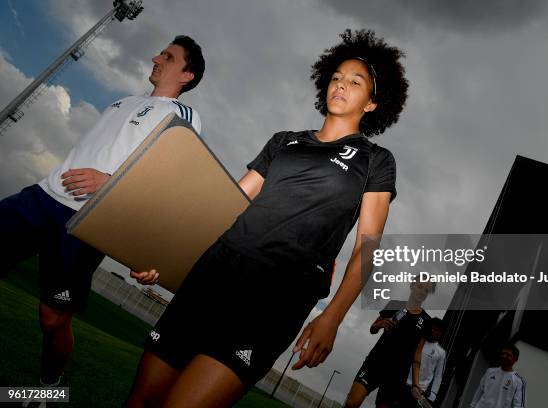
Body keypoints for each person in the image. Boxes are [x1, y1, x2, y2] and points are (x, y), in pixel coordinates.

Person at [125, 29, 410, 408]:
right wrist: (167, 254)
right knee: (138, 402)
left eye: (355, 82)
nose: (341, 85)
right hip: (212, 276)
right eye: (337, 77)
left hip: (274, 298)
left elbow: (366, 247)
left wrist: (333, 317)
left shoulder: (376, 160)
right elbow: (229, 203)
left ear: (373, 103)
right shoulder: (283, 141)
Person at [0, 35, 204, 394]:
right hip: (42, 197)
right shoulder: (122, 101)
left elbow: (171, 178)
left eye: (168, 57)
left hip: (86, 223)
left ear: (186, 75)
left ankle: (49, 387)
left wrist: (111, 181)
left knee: (52, 318)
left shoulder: (182, 115)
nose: (156, 57)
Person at [344, 282, 434, 408]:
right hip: (375, 363)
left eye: (426, 290)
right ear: (412, 286)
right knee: (351, 403)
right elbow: (372, 329)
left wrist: (415, 384)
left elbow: (417, 354)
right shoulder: (395, 305)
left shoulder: (426, 321)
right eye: (420, 287)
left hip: (397, 374)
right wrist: (380, 324)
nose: (422, 291)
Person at [404, 317, 446, 406]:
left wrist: (433, 394)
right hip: (404, 383)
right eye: (433, 329)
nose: (434, 331)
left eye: (438, 330)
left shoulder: (441, 352)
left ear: (441, 333)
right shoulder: (418, 342)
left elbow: (438, 375)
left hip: (420, 391)